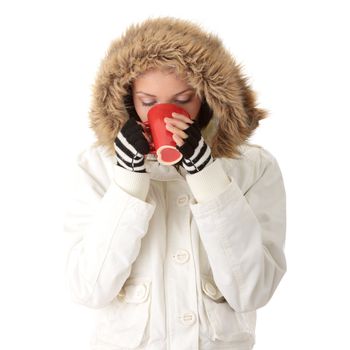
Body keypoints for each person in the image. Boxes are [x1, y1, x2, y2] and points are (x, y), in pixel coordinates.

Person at [63, 16, 287, 350]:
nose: (167, 113)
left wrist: (207, 177)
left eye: (183, 100)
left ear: (209, 97)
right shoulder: (96, 167)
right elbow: (88, 288)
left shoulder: (252, 167)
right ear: (128, 100)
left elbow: (253, 291)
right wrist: (127, 179)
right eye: (149, 103)